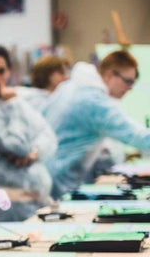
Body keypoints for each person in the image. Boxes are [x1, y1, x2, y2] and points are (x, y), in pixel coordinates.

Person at [0, 43, 57, 221]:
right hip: (7, 205)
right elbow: (18, 146)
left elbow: (47, 135)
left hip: (36, 199)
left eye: (1, 71)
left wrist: (34, 153)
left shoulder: (13, 98)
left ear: (9, 71)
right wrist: (13, 105)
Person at [43, 50, 150, 198]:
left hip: (48, 174)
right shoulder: (93, 100)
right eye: (128, 81)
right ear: (110, 75)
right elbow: (134, 135)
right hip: (60, 180)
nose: (130, 88)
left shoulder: (70, 87)